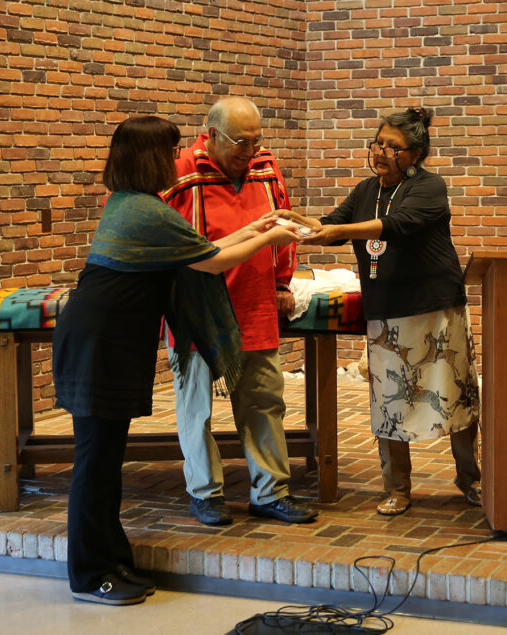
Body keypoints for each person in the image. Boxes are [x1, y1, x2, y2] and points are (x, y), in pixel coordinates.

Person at [52, 115, 300, 606]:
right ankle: (89, 574)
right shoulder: (144, 211)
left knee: (105, 462)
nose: (174, 161)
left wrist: (258, 226)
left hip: (109, 340)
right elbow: (210, 261)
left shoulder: (137, 205)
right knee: (95, 465)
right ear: (149, 159)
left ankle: (113, 559)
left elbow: (200, 250)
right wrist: (271, 239)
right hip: (100, 343)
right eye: (168, 153)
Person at [269, 107, 482, 516]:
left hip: (435, 307)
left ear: (415, 153)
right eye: (379, 142)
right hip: (386, 310)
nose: (381, 151)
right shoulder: (368, 190)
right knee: (390, 401)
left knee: (456, 395)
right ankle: (397, 488)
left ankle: (470, 479)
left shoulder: (430, 187)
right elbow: (330, 224)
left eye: (393, 146)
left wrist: (339, 230)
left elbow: (396, 225)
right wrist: (298, 221)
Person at [161, 97, 317, 526]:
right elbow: (158, 239)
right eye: (239, 143)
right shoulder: (178, 174)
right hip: (197, 308)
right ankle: (205, 493)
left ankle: (270, 492)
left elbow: (283, 230)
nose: (249, 153)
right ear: (210, 135)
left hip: (253, 304)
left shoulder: (265, 169)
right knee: (196, 406)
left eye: (255, 141)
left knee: (265, 403)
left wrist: (283, 281)